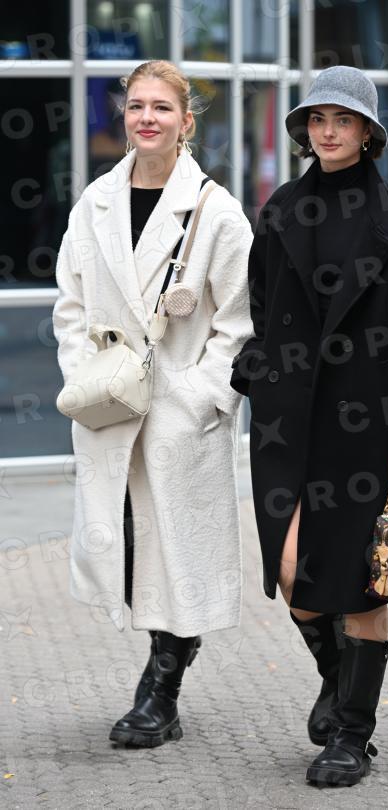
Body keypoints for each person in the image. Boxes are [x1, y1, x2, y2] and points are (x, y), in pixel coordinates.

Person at [230, 65, 388, 786]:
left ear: (367, 133)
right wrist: (256, 366)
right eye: (318, 119)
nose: (328, 131)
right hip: (288, 419)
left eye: (343, 120)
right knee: (292, 571)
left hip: (369, 425)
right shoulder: (281, 208)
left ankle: (352, 733)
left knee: (359, 583)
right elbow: (262, 307)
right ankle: (340, 682)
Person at [52, 59, 253, 748]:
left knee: (176, 552)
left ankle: (160, 692)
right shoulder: (96, 203)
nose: (147, 118)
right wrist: (85, 375)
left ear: (186, 121)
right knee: (131, 542)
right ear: (124, 115)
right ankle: (162, 674)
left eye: (162, 107)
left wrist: (201, 397)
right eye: (137, 105)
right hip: (111, 404)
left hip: (178, 410)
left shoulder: (216, 211)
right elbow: (70, 303)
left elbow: (239, 323)